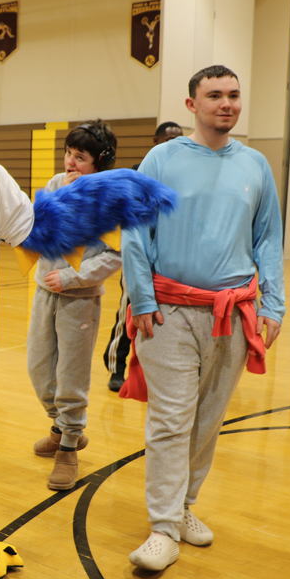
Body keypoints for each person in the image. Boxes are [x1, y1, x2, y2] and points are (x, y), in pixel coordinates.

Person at [122, 65, 285, 571]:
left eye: (233, 94)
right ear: (192, 104)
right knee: (171, 420)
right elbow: (135, 232)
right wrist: (141, 298)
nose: (226, 103)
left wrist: (274, 303)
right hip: (167, 313)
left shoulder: (255, 164)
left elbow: (268, 238)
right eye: (214, 95)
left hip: (232, 315)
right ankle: (162, 528)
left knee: (208, 420)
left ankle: (183, 505)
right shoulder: (161, 159)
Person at [26, 121, 122, 490]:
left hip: (80, 301)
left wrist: (72, 277)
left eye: (80, 157)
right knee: (38, 369)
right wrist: (60, 199)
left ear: (100, 162)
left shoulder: (110, 200)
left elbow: (116, 255)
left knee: (72, 375)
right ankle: (63, 427)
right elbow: (37, 229)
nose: (70, 161)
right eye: (68, 153)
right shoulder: (55, 184)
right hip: (43, 294)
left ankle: (68, 445)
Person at [103, 121, 184, 392]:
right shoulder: (140, 172)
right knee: (127, 312)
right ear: (155, 140)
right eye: (168, 139)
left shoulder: (184, 176)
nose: (173, 144)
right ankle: (116, 366)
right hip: (139, 259)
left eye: (178, 139)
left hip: (168, 262)